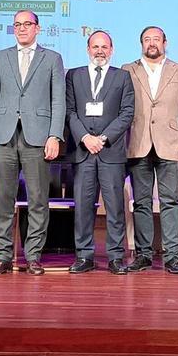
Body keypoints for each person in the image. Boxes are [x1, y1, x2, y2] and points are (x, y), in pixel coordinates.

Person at [0, 10, 65, 275]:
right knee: (3, 199)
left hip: (37, 137)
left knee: (38, 199)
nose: (22, 28)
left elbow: (58, 100)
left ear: (38, 29)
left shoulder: (51, 58)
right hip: (4, 136)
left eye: (27, 24)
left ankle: (33, 256)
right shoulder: (0, 57)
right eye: (17, 25)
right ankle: (3, 256)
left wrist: (54, 135)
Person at [124, 26, 178, 274]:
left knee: (170, 202)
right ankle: (143, 254)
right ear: (141, 44)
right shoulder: (127, 70)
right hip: (138, 144)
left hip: (171, 146)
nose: (151, 43)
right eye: (146, 39)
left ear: (165, 42)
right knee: (141, 203)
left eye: (156, 39)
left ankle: (173, 255)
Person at [66, 31, 134, 274]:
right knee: (83, 206)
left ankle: (116, 257)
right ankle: (84, 256)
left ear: (112, 49)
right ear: (87, 49)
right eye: (95, 46)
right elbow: (70, 111)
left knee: (115, 207)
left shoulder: (123, 77)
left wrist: (103, 139)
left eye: (104, 46)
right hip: (83, 152)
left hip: (111, 152)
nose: (99, 51)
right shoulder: (74, 75)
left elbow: (127, 112)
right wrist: (85, 137)